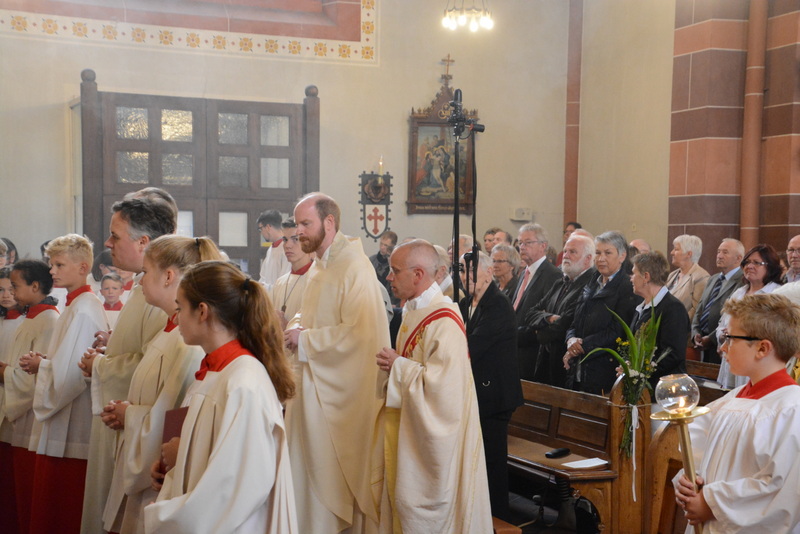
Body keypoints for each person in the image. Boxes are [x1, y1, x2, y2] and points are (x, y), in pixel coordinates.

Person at [144, 261, 297, 533]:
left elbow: (238, 485)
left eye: (180, 308)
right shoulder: (217, 372)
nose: (176, 318)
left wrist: (165, 516)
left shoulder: (243, 382)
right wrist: (175, 470)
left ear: (202, 311)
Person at [283, 193, 390, 533]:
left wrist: (306, 340)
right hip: (311, 388)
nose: (298, 231)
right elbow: (308, 313)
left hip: (337, 397)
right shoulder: (321, 264)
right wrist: (294, 327)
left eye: (305, 223)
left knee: (328, 476)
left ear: (329, 223)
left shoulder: (354, 267)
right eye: (297, 224)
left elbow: (360, 335)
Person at [101, 235, 222, 534]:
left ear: (168, 276)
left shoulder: (186, 342)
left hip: (156, 482)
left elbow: (175, 417)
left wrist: (130, 415)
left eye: (145, 272)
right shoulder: (168, 331)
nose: (139, 281)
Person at [376, 240, 492, 532]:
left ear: (418, 274)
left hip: (435, 445)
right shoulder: (413, 311)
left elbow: (445, 392)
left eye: (395, 271)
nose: (389, 277)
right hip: (410, 429)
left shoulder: (444, 321)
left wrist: (398, 367)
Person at [80, 190, 177, 534]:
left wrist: (100, 366)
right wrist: (112, 347)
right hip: (123, 421)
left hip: (134, 426)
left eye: (115, 236)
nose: (108, 243)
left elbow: (156, 366)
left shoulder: (161, 294)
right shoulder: (141, 287)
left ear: (143, 242)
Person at [674, 294, 800, 532]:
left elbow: (783, 491)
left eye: (730, 338)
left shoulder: (791, 410)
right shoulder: (731, 400)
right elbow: (697, 454)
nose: (722, 347)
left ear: (762, 348)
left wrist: (711, 504)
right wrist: (688, 481)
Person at [17, 235, 108, 534]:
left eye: (59, 265)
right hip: (66, 417)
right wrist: (49, 361)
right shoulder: (75, 304)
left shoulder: (84, 308)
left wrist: (42, 366)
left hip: (74, 423)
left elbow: (73, 376)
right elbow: (69, 359)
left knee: (64, 507)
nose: (52, 271)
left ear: (82, 267)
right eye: (51, 264)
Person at [457, 250, 522, 521]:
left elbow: (473, 345)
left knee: (492, 463)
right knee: (476, 461)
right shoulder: (464, 303)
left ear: (488, 272)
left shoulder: (497, 304)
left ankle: (498, 518)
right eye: (463, 271)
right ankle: (477, 516)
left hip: (495, 396)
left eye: (472, 271)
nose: (466, 277)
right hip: (476, 393)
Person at [0, 260, 59, 534]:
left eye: (15, 286)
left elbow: (38, 377)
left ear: (35, 286)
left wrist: (5, 373)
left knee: (24, 491)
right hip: (14, 417)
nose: (10, 292)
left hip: (28, 420)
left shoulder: (49, 321)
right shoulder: (32, 317)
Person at [564, 231, 640, 395]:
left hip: (604, 370)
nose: (601, 258)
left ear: (622, 256)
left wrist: (582, 345)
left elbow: (617, 330)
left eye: (607, 253)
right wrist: (570, 339)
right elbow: (575, 320)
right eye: (598, 253)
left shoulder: (627, 287)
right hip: (579, 367)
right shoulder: (591, 281)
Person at [527, 233, 596, 387]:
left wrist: (539, 332)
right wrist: (549, 318)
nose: (566, 255)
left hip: (566, 366)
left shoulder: (589, 286)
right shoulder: (561, 282)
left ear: (587, 259)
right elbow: (531, 313)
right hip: (546, 362)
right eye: (565, 251)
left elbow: (564, 325)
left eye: (572, 252)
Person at [717, 244, 783, 389]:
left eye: (757, 263)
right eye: (747, 262)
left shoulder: (776, 294)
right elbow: (721, 324)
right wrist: (723, 335)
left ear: (770, 267)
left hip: (758, 362)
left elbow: (777, 332)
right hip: (732, 358)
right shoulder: (739, 293)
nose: (750, 266)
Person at [629, 252, 690, 387]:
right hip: (644, 384)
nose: (631, 278)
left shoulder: (673, 308)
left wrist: (639, 371)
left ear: (646, 277)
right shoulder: (641, 306)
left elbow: (672, 355)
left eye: (634, 273)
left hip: (666, 388)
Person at [512, 223, 562, 380]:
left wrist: (517, 334)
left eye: (528, 242)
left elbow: (546, 315)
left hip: (533, 352)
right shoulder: (523, 273)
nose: (522, 247)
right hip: (516, 350)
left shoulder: (552, 275)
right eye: (520, 243)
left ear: (543, 246)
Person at [691, 239, 744, 364]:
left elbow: (732, 316)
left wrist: (711, 339)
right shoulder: (713, 279)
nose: (719, 256)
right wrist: (695, 332)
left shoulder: (742, 280)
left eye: (725, 252)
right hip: (701, 343)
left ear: (738, 258)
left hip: (721, 344)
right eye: (718, 252)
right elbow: (700, 308)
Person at [0, 267, 23, 534]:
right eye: (1, 290)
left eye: (11, 289)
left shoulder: (27, 322)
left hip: (12, 400)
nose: (6, 295)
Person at [269, 218, 313, 330]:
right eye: (285, 239)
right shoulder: (280, 283)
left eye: (295, 239)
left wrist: (287, 325)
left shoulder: (316, 281)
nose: (287, 245)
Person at [665, 234, 710, 321]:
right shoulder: (672, 275)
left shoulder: (701, 277)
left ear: (689, 254)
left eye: (676, 249)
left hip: (682, 326)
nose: (672, 252)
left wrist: (676, 324)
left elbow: (697, 310)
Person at [257, 209, 290, 291]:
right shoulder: (270, 249)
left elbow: (284, 282)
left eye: (261, 229)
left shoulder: (287, 249)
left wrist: (265, 287)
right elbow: (263, 277)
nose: (261, 233)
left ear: (268, 227)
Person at [369, 230, 397, 304]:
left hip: (390, 301)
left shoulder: (396, 263)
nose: (382, 247)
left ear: (392, 246)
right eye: (381, 244)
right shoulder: (371, 260)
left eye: (385, 245)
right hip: (373, 298)